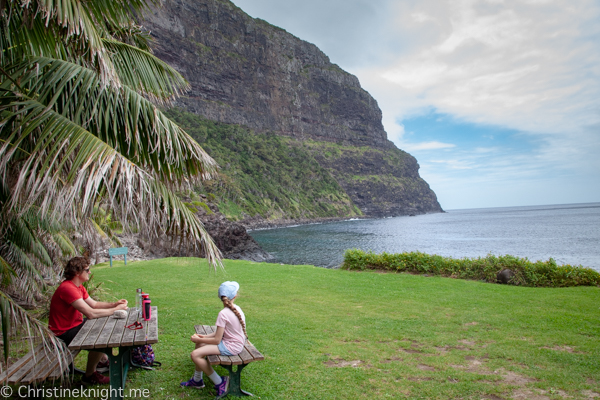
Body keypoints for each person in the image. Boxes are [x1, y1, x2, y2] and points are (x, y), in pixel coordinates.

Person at [48, 257, 128, 385]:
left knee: (104, 324)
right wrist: (116, 310)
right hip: (62, 333)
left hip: (73, 325)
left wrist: (114, 304)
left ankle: (102, 360)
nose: (89, 272)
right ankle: (90, 375)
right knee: (100, 337)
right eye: (87, 270)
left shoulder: (78, 287)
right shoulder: (68, 288)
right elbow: (90, 313)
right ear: (77, 273)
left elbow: (94, 304)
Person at [180, 281, 247, 396]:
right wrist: (203, 337)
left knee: (195, 355)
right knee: (199, 346)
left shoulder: (223, 313)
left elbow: (216, 340)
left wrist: (199, 339)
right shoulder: (236, 308)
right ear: (235, 296)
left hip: (231, 346)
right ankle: (197, 380)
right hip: (234, 343)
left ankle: (220, 382)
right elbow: (221, 333)